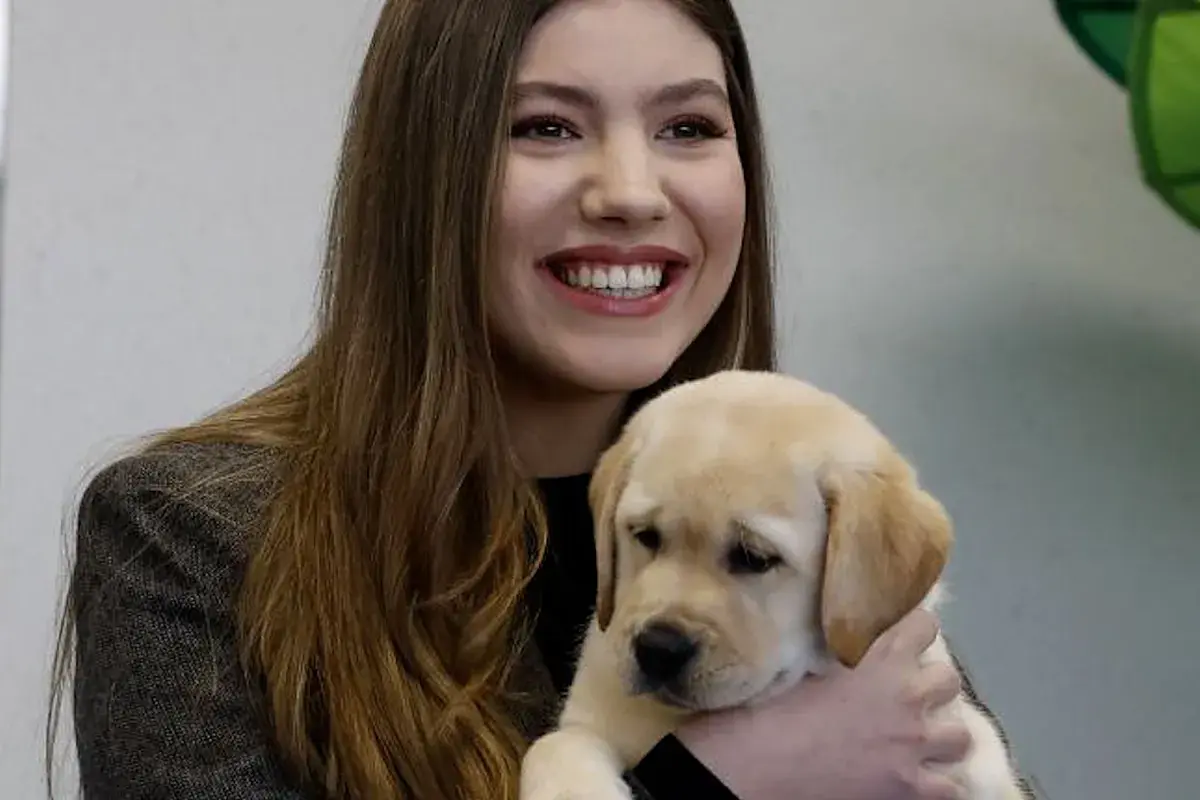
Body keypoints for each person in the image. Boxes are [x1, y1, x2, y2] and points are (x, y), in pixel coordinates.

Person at [46, 1, 1032, 798]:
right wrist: (719, 783)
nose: (631, 190)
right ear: (427, 176)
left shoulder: (811, 498)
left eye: (688, 125)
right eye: (546, 126)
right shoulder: (190, 532)